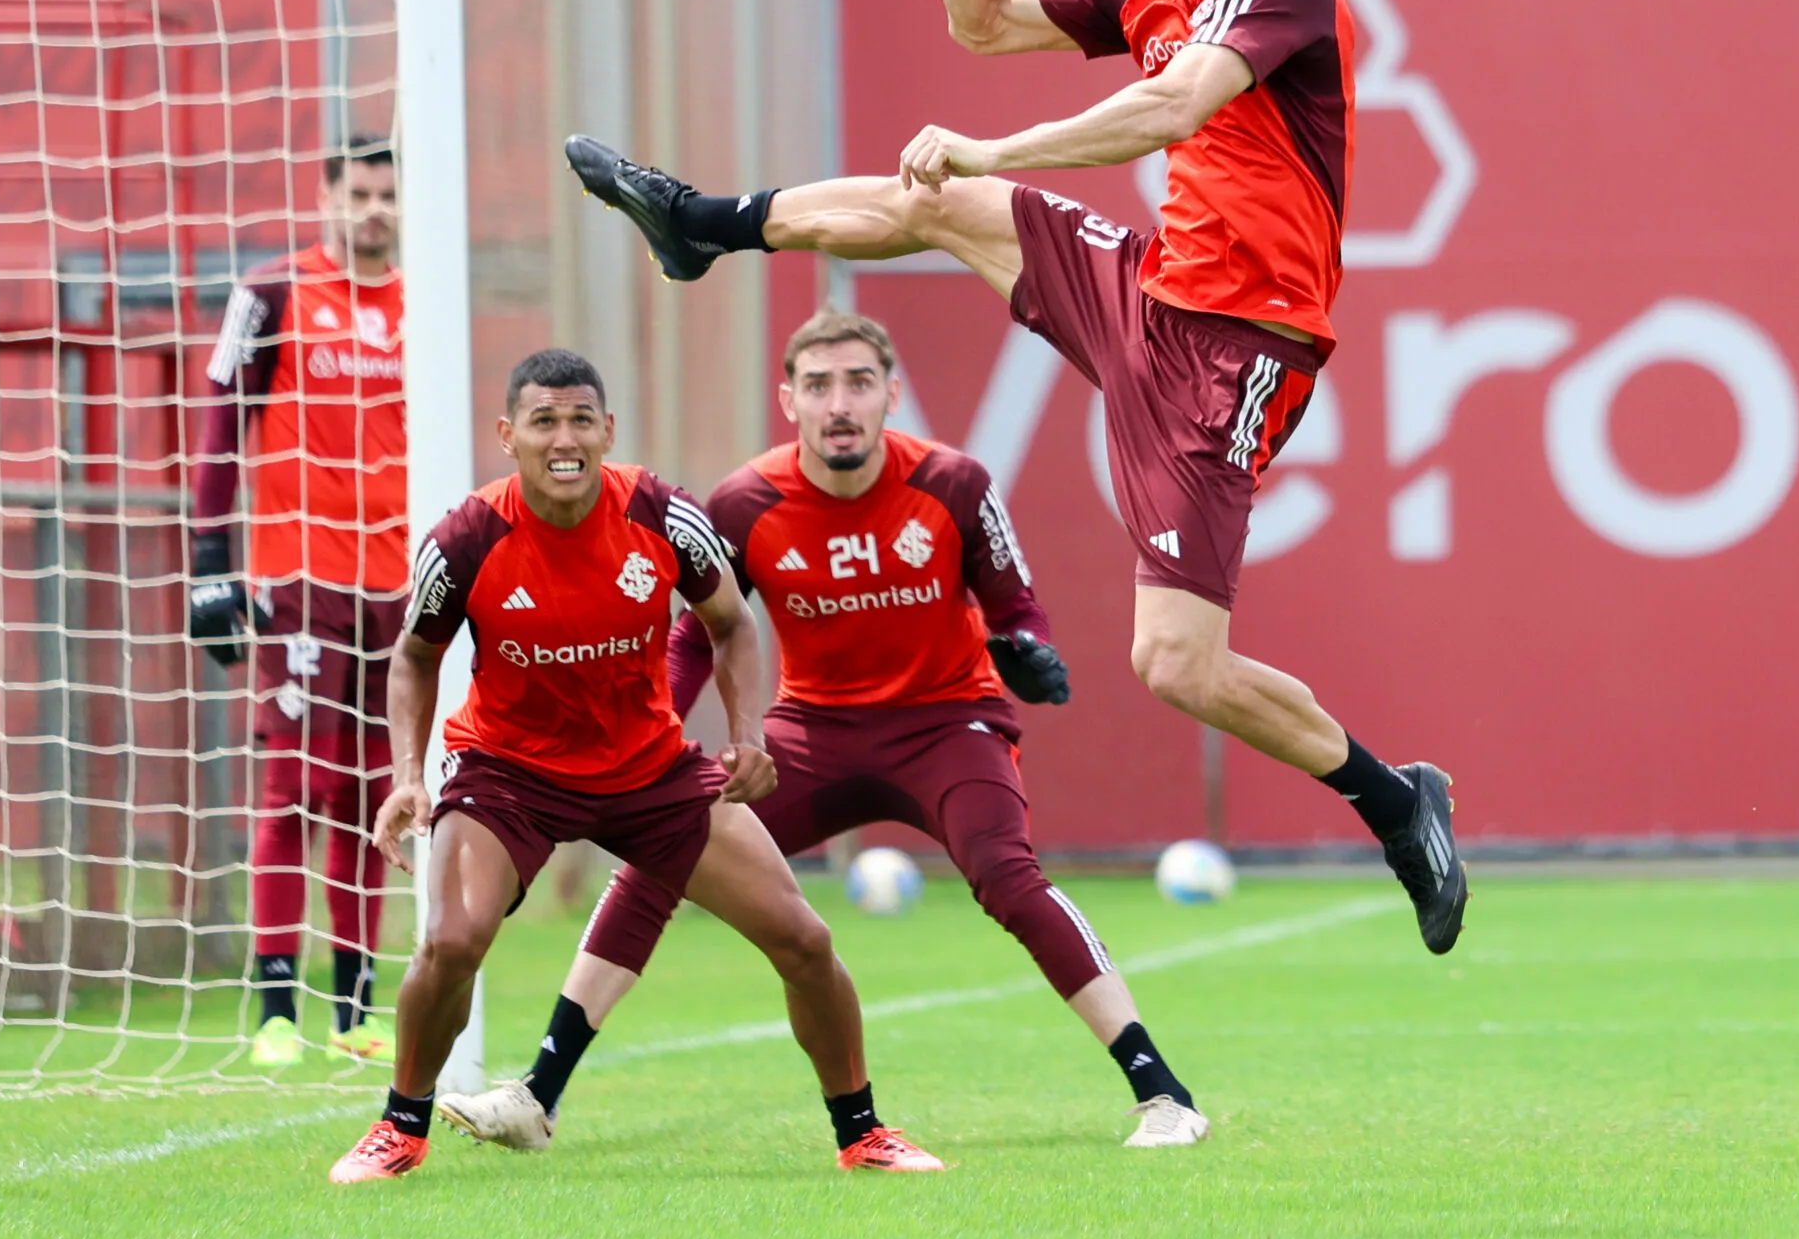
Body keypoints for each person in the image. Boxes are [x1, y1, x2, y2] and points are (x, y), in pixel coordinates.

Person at [563, 0, 1466, 952]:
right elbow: (983, 22)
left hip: (1238, 351)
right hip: (1147, 293)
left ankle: (1398, 802)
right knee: (950, 204)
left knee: (1176, 666)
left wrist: (993, 145)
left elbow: (1172, 103)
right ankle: (700, 223)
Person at [439, 310, 1210, 1153]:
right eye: (818, 385)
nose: (838, 403)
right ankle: (536, 1097)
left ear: (891, 393)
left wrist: (1028, 650)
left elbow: (1016, 606)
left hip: (946, 725)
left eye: (856, 383)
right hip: (809, 731)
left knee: (1005, 873)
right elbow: (702, 629)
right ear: (789, 400)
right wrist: (655, 734)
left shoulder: (955, 483)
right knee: (658, 858)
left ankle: (1162, 1093)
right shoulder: (744, 501)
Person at [326, 349, 944, 1182]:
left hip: (648, 770)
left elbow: (730, 623)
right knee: (451, 940)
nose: (565, 437)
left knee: (804, 937)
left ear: (608, 430)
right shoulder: (467, 536)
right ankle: (399, 1128)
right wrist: (409, 773)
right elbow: (413, 657)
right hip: (509, 772)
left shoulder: (661, 513)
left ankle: (863, 1132)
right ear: (510, 436)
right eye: (544, 421)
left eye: (582, 418)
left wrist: (747, 733)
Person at [190, 135, 409, 1064]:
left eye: (387, 195)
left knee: (371, 793)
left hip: (396, 586)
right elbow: (218, 426)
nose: (372, 209)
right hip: (296, 578)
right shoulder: (270, 293)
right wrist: (207, 558)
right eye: (357, 192)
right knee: (291, 788)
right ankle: (277, 1010)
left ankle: (352, 1012)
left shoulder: (421, 301)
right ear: (326, 195)